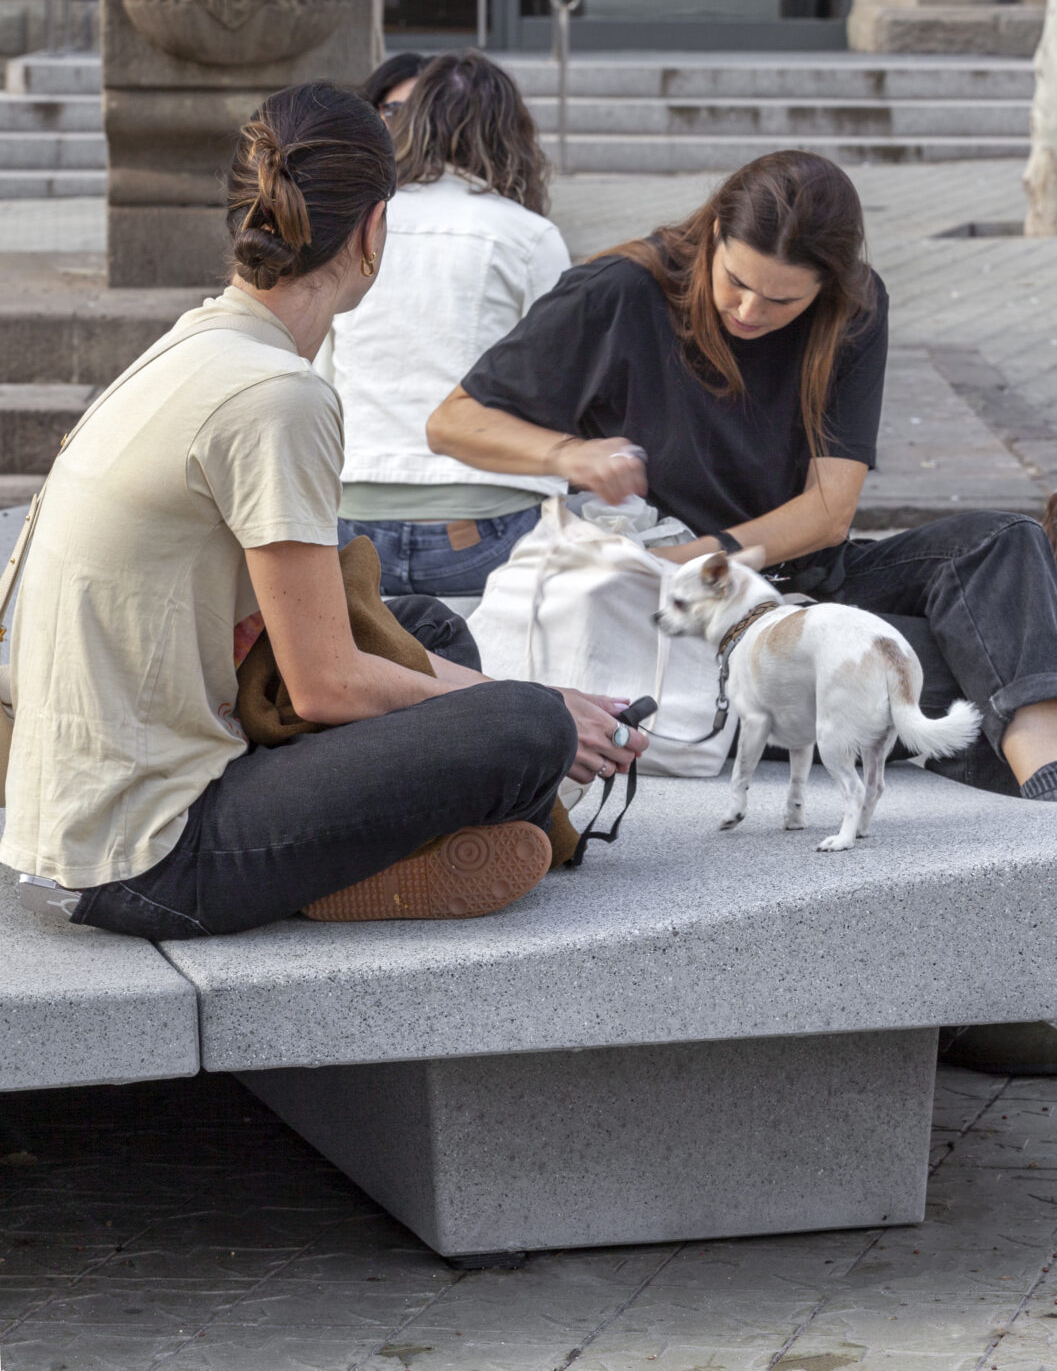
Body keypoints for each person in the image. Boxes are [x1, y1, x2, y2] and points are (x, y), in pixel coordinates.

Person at [428, 149, 1057, 1073]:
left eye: (781, 302)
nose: (749, 313)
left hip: (784, 581)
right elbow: (453, 420)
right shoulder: (619, 291)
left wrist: (710, 556)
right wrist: (568, 455)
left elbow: (829, 511)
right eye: (736, 284)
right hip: (699, 628)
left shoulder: (856, 312)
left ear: (828, 289)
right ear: (707, 240)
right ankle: (983, 987)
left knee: (1004, 548)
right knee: (943, 668)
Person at [0, 82, 644, 939]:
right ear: (375, 230)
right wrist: (548, 704)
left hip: (59, 810)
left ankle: (378, 843)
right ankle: (369, 855)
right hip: (148, 857)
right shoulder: (279, 396)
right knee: (524, 725)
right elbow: (326, 683)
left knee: (421, 626)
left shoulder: (198, 341)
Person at [319, 52, 570, 595]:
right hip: (487, 523)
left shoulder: (358, 224)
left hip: (354, 519)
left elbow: (319, 372)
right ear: (512, 136)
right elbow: (564, 386)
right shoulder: (529, 236)